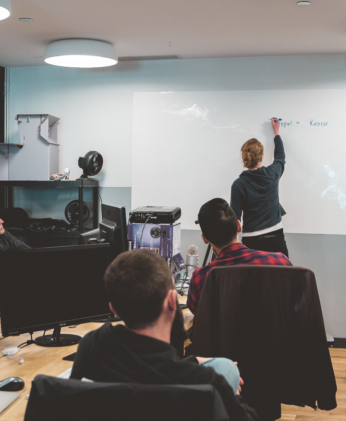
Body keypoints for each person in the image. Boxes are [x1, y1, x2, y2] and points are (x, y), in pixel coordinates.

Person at [71, 249, 259, 421]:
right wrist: (232, 394)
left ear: (114, 309)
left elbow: (148, 369)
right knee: (228, 368)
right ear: (172, 301)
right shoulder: (208, 383)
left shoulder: (91, 347)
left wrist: (191, 362)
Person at [187, 198, 292, 316]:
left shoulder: (200, 279)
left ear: (205, 239)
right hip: (273, 334)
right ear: (238, 226)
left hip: (225, 335)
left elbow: (199, 315)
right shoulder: (280, 263)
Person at [230, 117, 289, 257]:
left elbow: (235, 221)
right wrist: (277, 133)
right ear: (262, 157)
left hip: (251, 242)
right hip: (276, 238)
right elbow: (280, 157)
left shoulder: (238, 185)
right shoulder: (273, 174)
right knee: (282, 277)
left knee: (253, 279)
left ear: (244, 159)